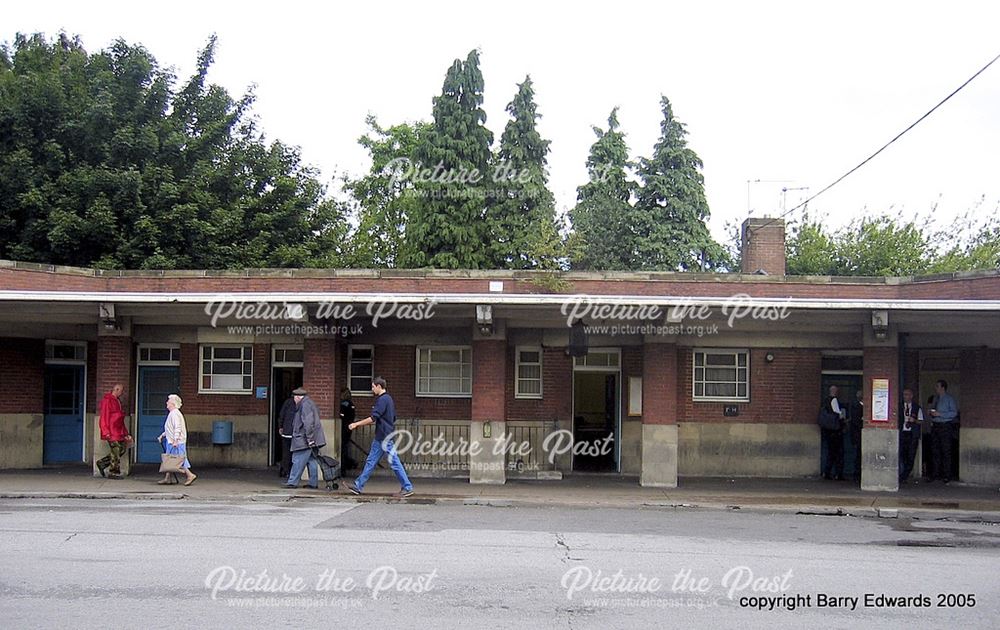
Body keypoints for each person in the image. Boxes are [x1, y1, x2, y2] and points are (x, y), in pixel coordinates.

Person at [347, 377, 414, 498]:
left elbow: (373, 418)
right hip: (383, 435)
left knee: (393, 462)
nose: (372, 389)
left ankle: (407, 487)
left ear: (379, 386)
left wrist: (356, 424)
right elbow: (393, 417)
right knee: (371, 461)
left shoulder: (382, 400)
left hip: (384, 436)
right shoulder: (389, 399)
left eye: (373, 387)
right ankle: (358, 486)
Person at [282, 387, 326, 489]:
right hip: (311, 438)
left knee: (298, 459)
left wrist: (309, 439)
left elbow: (308, 423)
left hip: (304, 439)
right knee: (311, 460)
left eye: (294, 398)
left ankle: (292, 482)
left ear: (297, 397)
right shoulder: (309, 403)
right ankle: (313, 483)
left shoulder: (305, 405)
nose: (294, 400)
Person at [158, 394, 197, 486]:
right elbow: (169, 429)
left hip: (176, 442)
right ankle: (167, 478)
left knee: (179, 459)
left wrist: (175, 440)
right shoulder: (173, 413)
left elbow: (177, 428)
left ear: (173, 403)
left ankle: (190, 475)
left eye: (168, 401)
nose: (166, 403)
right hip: (172, 440)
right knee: (170, 459)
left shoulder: (175, 414)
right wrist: (162, 435)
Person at [97, 383, 131, 479]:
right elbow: (104, 416)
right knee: (116, 450)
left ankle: (102, 463)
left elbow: (120, 419)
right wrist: (105, 431)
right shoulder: (108, 401)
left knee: (121, 449)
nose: (122, 393)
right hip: (112, 430)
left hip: (118, 430)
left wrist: (125, 433)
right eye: (121, 391)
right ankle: (113, 472)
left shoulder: (117, 401)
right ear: (116, 389)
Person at [928, 379, 959, 483]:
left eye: (937, 386)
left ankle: (947, 475)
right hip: (935, 425)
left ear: (942, 388)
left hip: (945, 426)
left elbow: (954, 413)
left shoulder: (949, 399)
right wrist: (931, 413)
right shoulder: (935, 398)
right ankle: (935, 474)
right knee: (935, 450)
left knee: (946, 451)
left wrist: (940, 414)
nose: (935, 388)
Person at [898, 388, 923, 483]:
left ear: (911, 396)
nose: (905, 397)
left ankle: (904, 476)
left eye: (907, 394)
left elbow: (921, 421)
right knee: (902, 455)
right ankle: (902, 475)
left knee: (911, 456)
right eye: (904, 394)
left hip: (912, 434)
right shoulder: (900, 406)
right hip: (902, 433)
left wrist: (915, 421)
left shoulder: (917, 407)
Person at [821, 385, 845, 481]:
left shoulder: (825, 401)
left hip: (827, 430)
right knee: (838, 453)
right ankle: (838, 474)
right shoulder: (834, 401)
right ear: (835, 391)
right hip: (835, 431)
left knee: (830, 452)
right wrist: (843, 418)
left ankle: (826, 472)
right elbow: (838, 414)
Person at [277, 395, 296, 478]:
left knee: (286, 453)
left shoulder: (287, 402)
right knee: (295, 454)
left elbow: (281, 415)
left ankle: (285, 471)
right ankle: (291, 472)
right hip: (295, 434)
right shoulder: (302, 404)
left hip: (286, 432)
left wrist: (280, 426)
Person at [339, 388, 356, 471]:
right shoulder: (351, 404)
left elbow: (341, 415)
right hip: (349, 428)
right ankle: (349, 464)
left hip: (344, 428)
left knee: (343, 448)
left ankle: (345, 466)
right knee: (345, 447)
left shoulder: (344, 404)